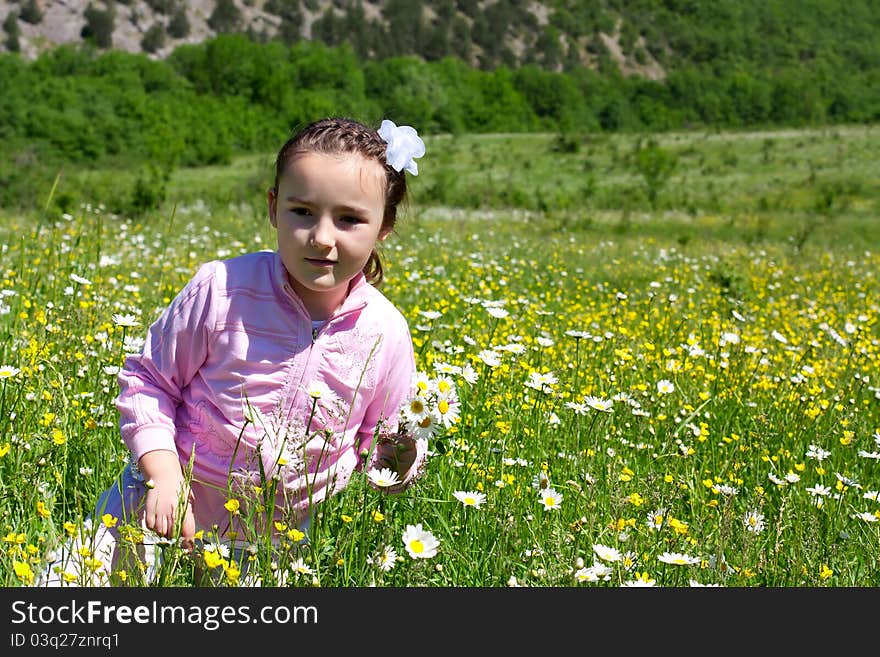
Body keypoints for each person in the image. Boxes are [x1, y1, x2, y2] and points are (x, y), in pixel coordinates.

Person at [40, 117, 428, 586]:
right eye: (302, 211)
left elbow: (380, 450)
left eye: (349, 219)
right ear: (273, 207)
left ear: (383, 226)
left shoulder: (385, 333)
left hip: (268, 547)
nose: (323, 237)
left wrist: (403, 458)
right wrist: (162, 474)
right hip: (156, 510)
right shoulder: (223, 289)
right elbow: (148, 380)